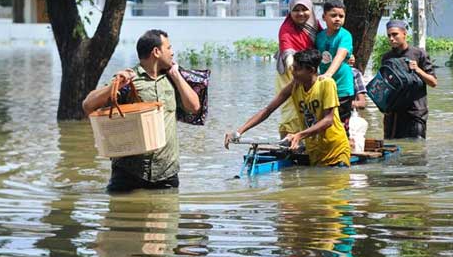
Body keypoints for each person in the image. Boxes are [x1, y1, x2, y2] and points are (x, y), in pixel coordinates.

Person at [82, 29, 200, 192]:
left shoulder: (173, 79)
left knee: (169, 217)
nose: (172, 53)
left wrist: (178, 76)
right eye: (169, 48)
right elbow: (88, 105)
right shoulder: (129, 79)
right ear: (156, 52)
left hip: (166, 173)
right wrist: (114, 86)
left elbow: (194, 107)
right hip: (129, 173)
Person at [225, 49, 351, 167]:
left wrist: (299, 135)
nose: (292, 72)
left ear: (311, 70)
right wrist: (238, 132)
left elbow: (328, 120)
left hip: (336, 152)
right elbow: (267, 110)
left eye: (297, 69)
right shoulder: (295, 86)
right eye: (292, 68)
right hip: (316, 153)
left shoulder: (326, 84)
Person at [275, 0, 322, 138]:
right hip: (290, 70)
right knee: (291, 106)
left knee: (311, 103)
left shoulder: (315, 25)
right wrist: (295, 72)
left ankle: (306, 138)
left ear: (311, 9)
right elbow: (288, 52)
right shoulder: (286, 28)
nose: (301, 13)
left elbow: (325, 45)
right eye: (296, 10)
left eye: (304, 9)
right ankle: (287, 138)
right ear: (290, 11)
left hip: (309, 70)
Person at [381, 20, 437, 139]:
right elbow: (383, 86)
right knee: (391, 149)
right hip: (393, 115)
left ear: (404, 34)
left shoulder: (419, 54)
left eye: (395, 34)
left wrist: (417, 70)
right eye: (389, 35)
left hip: (415, 114)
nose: (391, 38)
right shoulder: (386, 58)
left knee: (416, 150)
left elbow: (433, 82)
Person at [314, 0, 355, 132]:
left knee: (341, 125)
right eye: (333, 15)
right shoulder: (319, 37)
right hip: (325, 87)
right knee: (324, 122)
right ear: (324, 17)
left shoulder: (345, 35)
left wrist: (328, 75)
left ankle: (344, 150)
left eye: (341, 16)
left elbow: (340, 55)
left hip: (343, 87)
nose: (337, 19)